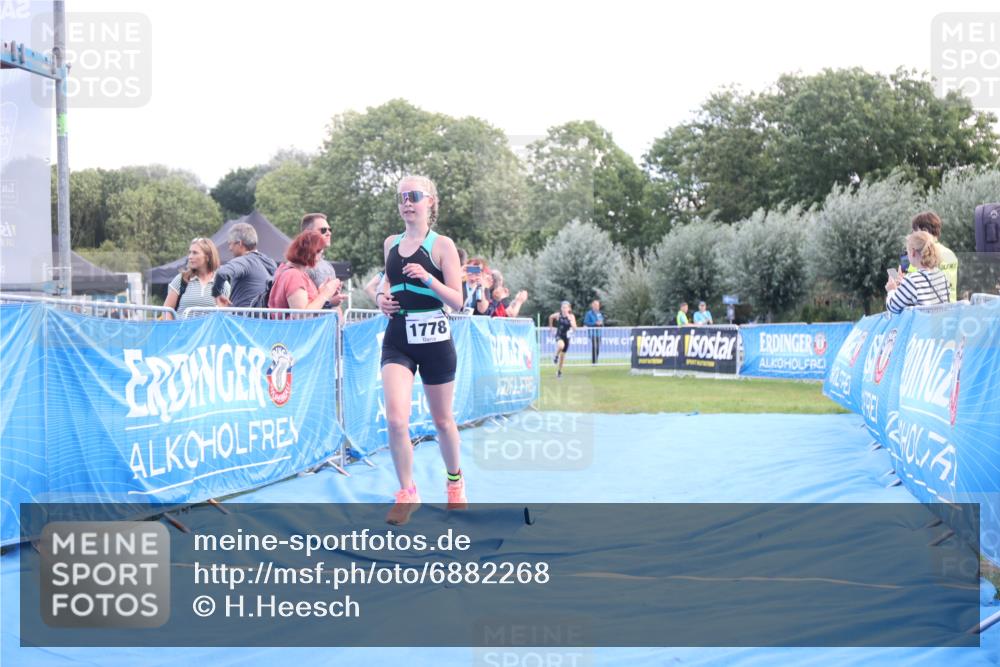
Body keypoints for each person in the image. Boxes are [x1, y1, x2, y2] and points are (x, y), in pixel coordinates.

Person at [375, 175, 466, 525]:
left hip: (435, 338)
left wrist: (428, 278)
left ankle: (455, 483)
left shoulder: (442, 245)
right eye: (401, 197)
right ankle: (407, 491)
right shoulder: (390, 244)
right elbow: (386, 283)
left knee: (443, 421)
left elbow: (458, 301)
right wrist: (382, 298)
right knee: (397, 419)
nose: (406, 203)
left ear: (431, 201)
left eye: (414, 196)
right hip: (399, 335)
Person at [268, 230, 342, 314]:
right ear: (311, 253)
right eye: (319, 251)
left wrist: (321, 291)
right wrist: (326, 293)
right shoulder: (294, 275)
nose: (321, 256)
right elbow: (302, 316)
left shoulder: (291, 271)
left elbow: (307, 305)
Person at [212, 222, 278, 307]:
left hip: (242, 318)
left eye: (230, 244)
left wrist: (217, 294)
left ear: (239, 243)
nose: (230, 249)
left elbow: (222, 273)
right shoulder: (269, 262)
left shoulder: (244, 261)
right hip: (263, 318)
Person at [885, 231, 950, 313]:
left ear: (912, 252)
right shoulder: (941, 275)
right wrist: (904, 285)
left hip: (923, 325)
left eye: (907, 252)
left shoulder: (912, 280)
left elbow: (892, 307)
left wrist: (892, 290)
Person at [165, 238, 230, 319]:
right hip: (182, 331)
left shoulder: (223, 284)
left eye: (195, 253)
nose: (190, 257)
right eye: (190, 253)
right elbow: (167, 310)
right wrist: (172, 329)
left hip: (210, 332)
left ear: (207, 257)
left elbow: (224, 317)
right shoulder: (181, 279)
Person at [907, 211, 958, 302]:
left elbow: (912, 285)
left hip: (929, 310)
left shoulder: (921, 254)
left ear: (924, 231)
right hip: (950, 307)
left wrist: (900, 283)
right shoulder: (950, 254)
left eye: (914, 231)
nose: (913, 235)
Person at [300, 212, 346, 309]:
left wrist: (341, 323)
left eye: (330, 229)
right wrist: (329, 302)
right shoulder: (301, 266)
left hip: (331, 322)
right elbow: (302, 310)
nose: (329, 233)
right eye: (323, 230)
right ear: (308, 233)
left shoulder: (328, 266)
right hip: (312, 323)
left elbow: (336, 306)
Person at [548, 301, 576, 378]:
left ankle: (559, 371)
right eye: (563, 307)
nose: (564, 309)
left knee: (563, 356)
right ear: (561, 308)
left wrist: (570, 321)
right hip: (559, 335)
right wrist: (550, 327)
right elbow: (550, 317)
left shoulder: (571, 316)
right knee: (561, 346)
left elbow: (574, 328)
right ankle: (555, 356)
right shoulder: (558, 315)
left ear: (569, 309)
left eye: (566, 308)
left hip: (567, 338)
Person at [583, 299, 605, 364]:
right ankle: (593, 362)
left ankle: (595, 361)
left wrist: (601, 323)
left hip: (599, 333)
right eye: (595, 305)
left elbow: (602, 322)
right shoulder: (589, 313)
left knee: (597, 348)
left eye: (598, 305)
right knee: (594, 347)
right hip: (592, 333)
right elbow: (586, 323)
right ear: (592, 305)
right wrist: (595, 323)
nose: (596, 306)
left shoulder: (599, 314)